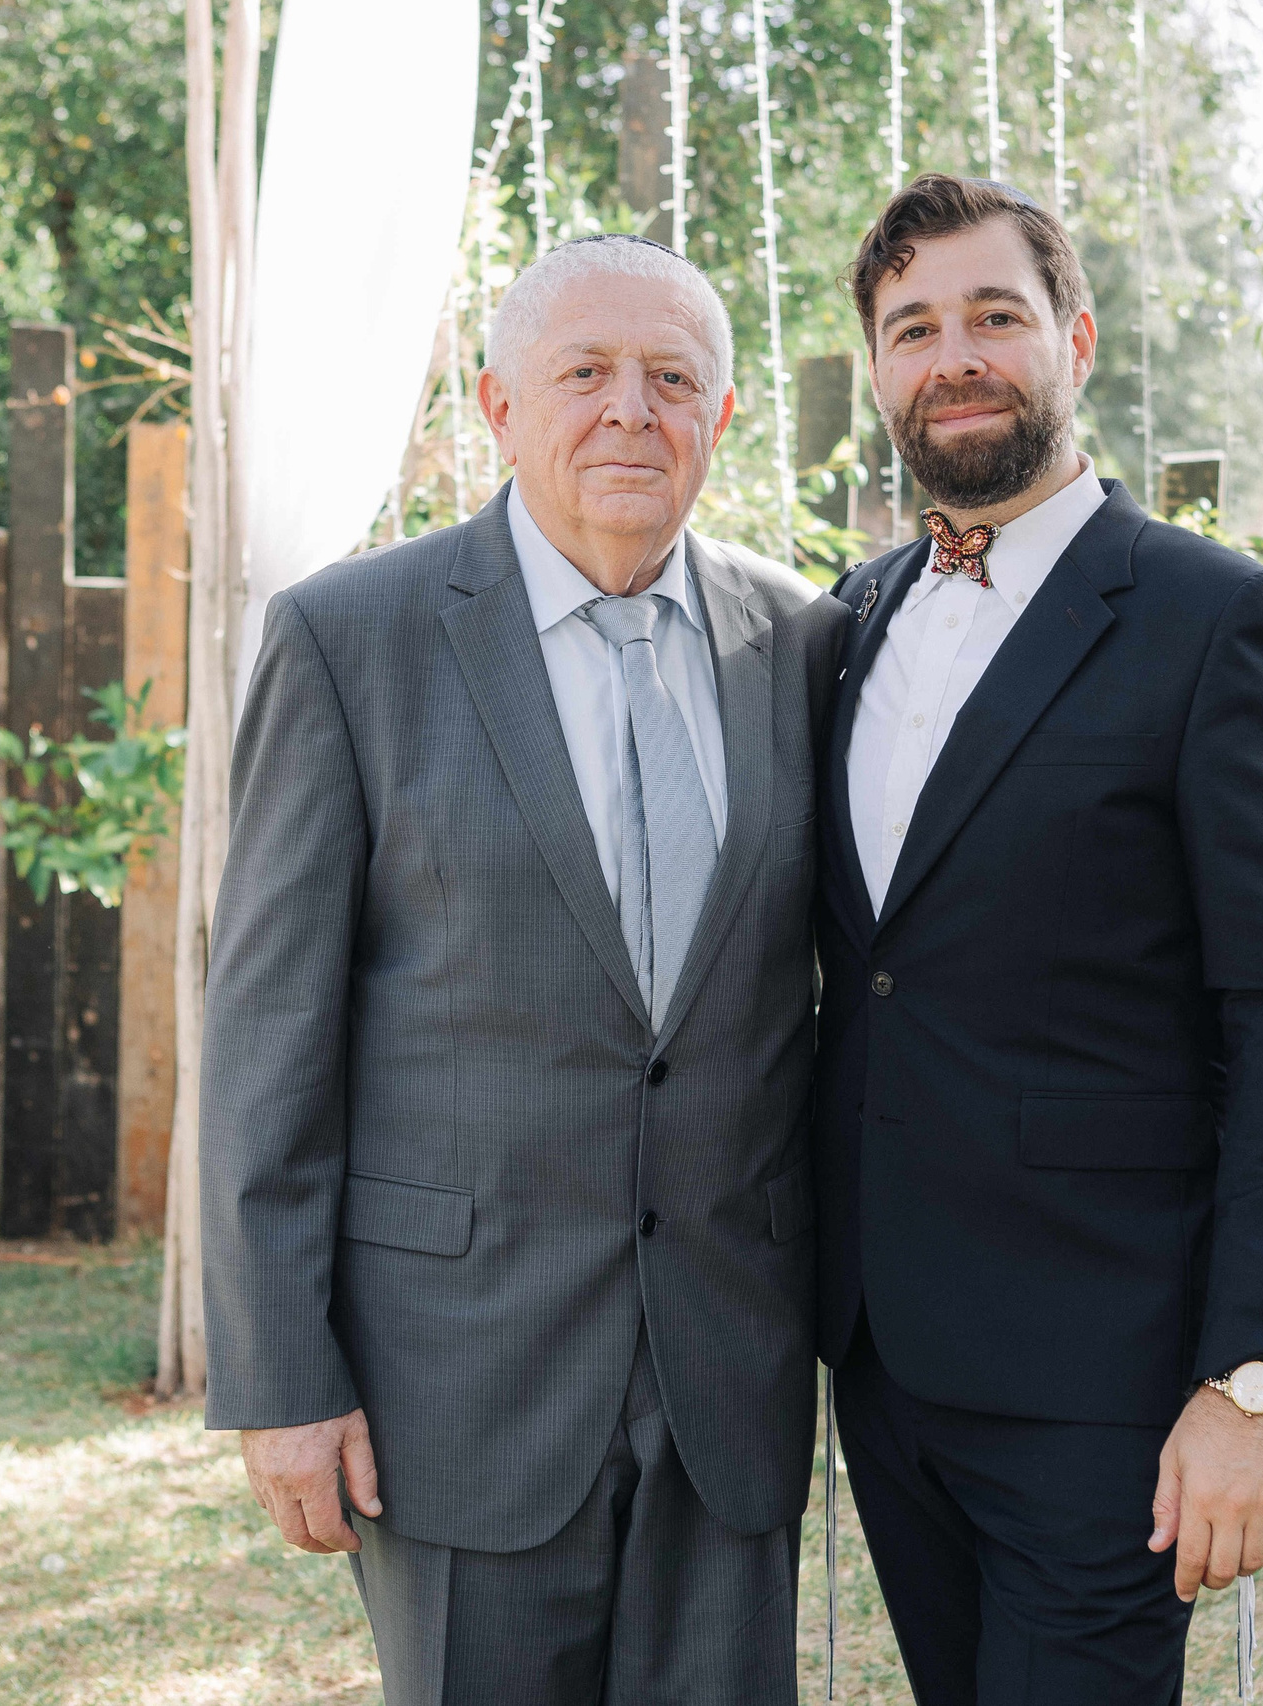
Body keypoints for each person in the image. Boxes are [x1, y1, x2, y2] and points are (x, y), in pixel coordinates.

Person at [197, 234, 849, 1703]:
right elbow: (266, 1039)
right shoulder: (350, 640)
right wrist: (282, 1378)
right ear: (497, 404)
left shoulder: (803, 645)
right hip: (454, 1382)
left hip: (726, 1375)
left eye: (671, 377)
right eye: (584, 372)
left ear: (722, 415)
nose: (631, 410)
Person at [813, 173, 1263, 1703]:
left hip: (1104, 1379)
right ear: (880, 370)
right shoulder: (847, 620)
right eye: (913, 328)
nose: (955, 357)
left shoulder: (1214, 619)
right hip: (885, 1361)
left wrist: (1250, 1376)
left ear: (1077, 338)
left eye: (995, 315)